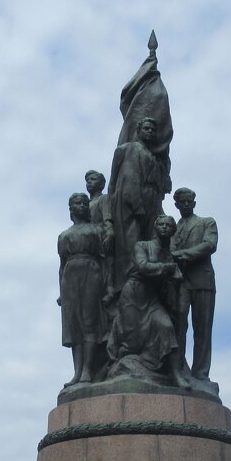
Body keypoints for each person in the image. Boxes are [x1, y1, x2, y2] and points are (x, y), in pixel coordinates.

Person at [106, 215, 188, 386]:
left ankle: (176, 375)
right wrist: (168, 268)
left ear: (173, 231)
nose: (165, 227)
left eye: (168, 225)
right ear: (156, 228)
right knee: (131, 342)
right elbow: (143, 266)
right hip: (134, 293)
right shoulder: (142, 246)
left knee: (166, 326)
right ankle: (123, 365)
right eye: (161, 224)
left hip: (152, 298)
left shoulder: (169, 255)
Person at [107, 116, 172, 292]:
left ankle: (148, 279)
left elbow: (161, 185)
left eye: (153, 129)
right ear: (138, 130)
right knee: (130, 243)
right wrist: (136, 205)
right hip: (132, 205)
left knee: (151, 242)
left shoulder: (153, 156)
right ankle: (127, 284)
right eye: (147, 128)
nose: (150, 132)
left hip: (150, 203)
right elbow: (126, 179)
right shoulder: (128, 149)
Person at [57, 193, 106, 387]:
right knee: (73, 326)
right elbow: (61, 265)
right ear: (71, 208)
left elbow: (105, 260)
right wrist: (61, 290)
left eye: (85, 203)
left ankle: (88, 369)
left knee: (89, 322)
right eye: (78, 203)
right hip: (70, 277)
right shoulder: (64, 235)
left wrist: (107, 285)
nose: (82, 206)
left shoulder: (96, 231)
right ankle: (77, 371)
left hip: (91, 272)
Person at [171, 188, 217, 381]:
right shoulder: (172, 227)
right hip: (181, 281)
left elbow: (209, 245)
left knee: (202, 328)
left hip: (202, 280)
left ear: (194, 203)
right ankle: (180, 367)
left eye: (189, 201)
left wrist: (185, 254)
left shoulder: (206, 222)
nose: (186, 205)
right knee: (179, 324)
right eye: (183, 202)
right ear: (177, 205)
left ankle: (201, 373)